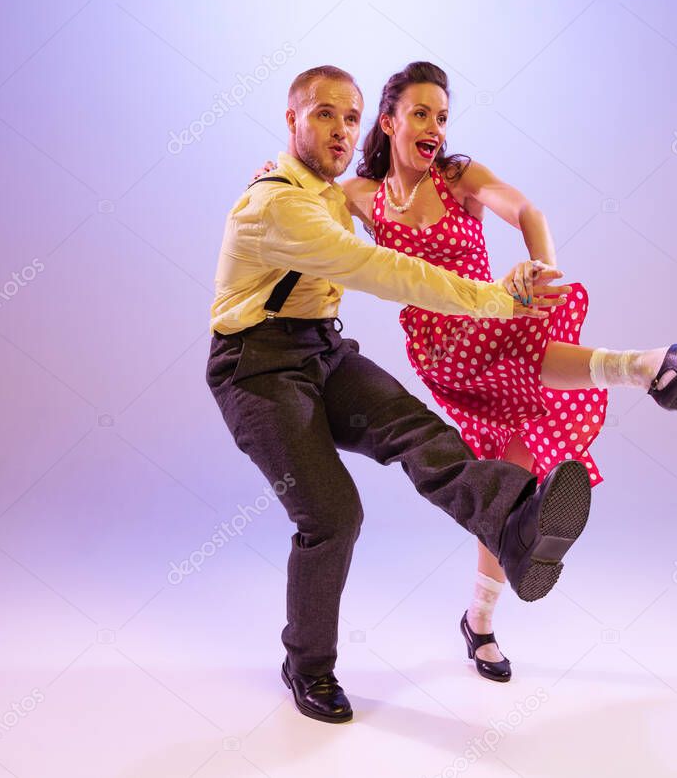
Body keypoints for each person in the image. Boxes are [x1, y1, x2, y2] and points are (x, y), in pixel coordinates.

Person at [260, 61, 677, 684]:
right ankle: (650, 368)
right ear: (389, 121)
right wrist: (271, 177)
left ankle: (479, 625)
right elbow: (305, 198)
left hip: (496, 329)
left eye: (443, 116)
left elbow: (526, 211)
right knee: (505, 352)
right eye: (421, 114)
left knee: (508, 484)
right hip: (445, 348)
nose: (434, 127)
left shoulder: (458, 177)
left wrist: (541, 270)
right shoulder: (359, 196)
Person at [207, 65, 595, 725]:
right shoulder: (280, 204)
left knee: (422, 434)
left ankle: (515, 522)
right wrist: (496, 299)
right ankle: (307, 663)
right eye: (323, 114)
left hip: (321, 353)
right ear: (291, 120)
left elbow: (397, 203)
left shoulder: (331, 191)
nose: (340, 128)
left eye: (351, 117)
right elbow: (383, 270)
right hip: (257, 370)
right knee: (333, 514)